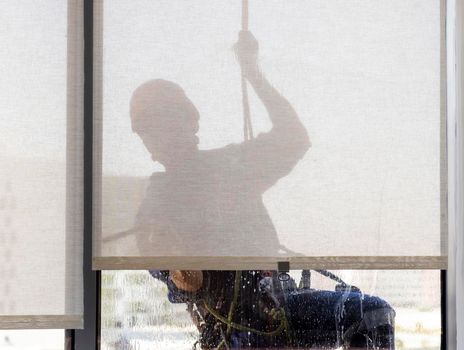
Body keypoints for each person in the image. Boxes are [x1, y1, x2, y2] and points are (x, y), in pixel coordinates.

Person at [129, 31, 310, 257]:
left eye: (167, 122)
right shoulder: (155, 208)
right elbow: (172, 275)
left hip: (264, 290)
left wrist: (254, 75)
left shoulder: (231, 167)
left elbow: (293, 138)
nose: (161, 136)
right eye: (150, 130)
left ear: (189, 123)